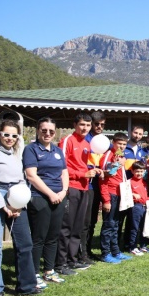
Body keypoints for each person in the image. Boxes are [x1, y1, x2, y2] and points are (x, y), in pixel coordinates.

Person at [0, 120, 40, 296]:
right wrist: (3, 206)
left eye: (14, 135)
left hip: (15, 198)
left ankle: (26, 285)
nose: (10, 138)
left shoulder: (16, 155)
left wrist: (17, 203)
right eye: (6, 134)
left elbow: (22, 180)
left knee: (24, 242)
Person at [24, 117, 69, 287]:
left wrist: (63, 191)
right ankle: (34, 273)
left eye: (51, 131)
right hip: (40, 197)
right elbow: (31, 175)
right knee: (39, 237)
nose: (48, 134)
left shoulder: (57, 151)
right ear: (37, 130)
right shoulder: (31, 149)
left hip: (58, 197)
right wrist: (50, 194)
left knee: (53, 236)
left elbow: (64, 172)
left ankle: (49, 271)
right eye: (44, 130)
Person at [56, 113, 98, 275]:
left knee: (77, 226)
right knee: (66, 226)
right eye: (82, 125)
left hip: (84, 189)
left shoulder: (87, 143)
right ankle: (61, 262)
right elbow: (62, 166)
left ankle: (73, 260)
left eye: (88, 125)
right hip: (71, 187)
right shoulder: (67, 140)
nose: (85, 128)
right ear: (75, 125)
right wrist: (82, 175)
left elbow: (83, 166)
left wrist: (93, 171)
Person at [98, 132, 132, 264]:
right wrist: (106, 200)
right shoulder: (108, 156)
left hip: (120, 194)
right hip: (111, 194)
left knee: (116, 225)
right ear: (113, 143)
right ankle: (105, 253)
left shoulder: (120, 156)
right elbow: (103, 178)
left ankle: (115, 251)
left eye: (124, 144)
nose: (122, 146)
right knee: (108, 225)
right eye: (119, 144)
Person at [81, 111, 106, 263]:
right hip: (86, 186)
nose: (99, 127)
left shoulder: (103, 141)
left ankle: (87, 250)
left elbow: (113, 153)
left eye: (102, 125)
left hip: (98, 186)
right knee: (84, 221)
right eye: (97, 124)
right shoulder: (86, 141)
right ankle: (81, 252)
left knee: (92, 221)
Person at [125, 161, 149, 256]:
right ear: (132, 171)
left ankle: (143, 245)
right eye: (137, 171)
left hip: (144, 207)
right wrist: (133, 195)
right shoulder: (129, 182)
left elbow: (146, 195)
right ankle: (133, 247)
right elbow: (125, 194)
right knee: (134, 227)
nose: (139, 173)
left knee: (143, 227)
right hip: (135, 207)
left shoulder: (144, 182)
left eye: (141, 171)